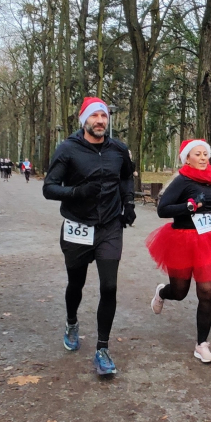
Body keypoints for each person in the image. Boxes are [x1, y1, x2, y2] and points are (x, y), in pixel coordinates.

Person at [43, 97, 135, 376]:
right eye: (94, 116)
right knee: (76, 283)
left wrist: (128, 203)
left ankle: (102, 349)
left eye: (104, 116)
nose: (100, 121)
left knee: (109, 287)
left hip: (109, 227)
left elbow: (126, 177)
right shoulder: (68, 149)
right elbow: (49, 187)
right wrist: (76, 192)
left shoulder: (118, 149)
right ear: (84, 120)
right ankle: (72, 322)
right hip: (78, 226)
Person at [146, 139, 211, 363]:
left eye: (206, 154)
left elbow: (207, 208)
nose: (204, 158)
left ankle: (201, 344)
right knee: (180, 292)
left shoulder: (209, 182)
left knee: (206, 292)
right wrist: (189, 206)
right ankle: (162, 293)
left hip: (207, 238)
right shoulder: (181, 180)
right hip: (181, 240)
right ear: (187, 158)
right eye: (198, 154)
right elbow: (163, 209)